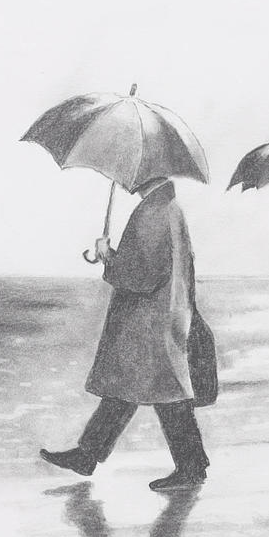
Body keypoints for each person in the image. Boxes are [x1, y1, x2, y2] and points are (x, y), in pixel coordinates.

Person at [41, 175, 215, 490]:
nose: (124, 181)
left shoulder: (154, 212)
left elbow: (144, 275)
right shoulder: (169, 207)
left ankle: (191, 467)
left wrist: (108, 257)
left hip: (149, 322)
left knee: (163, 394)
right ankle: (88, 454)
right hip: (163, 317)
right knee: (130, 390)